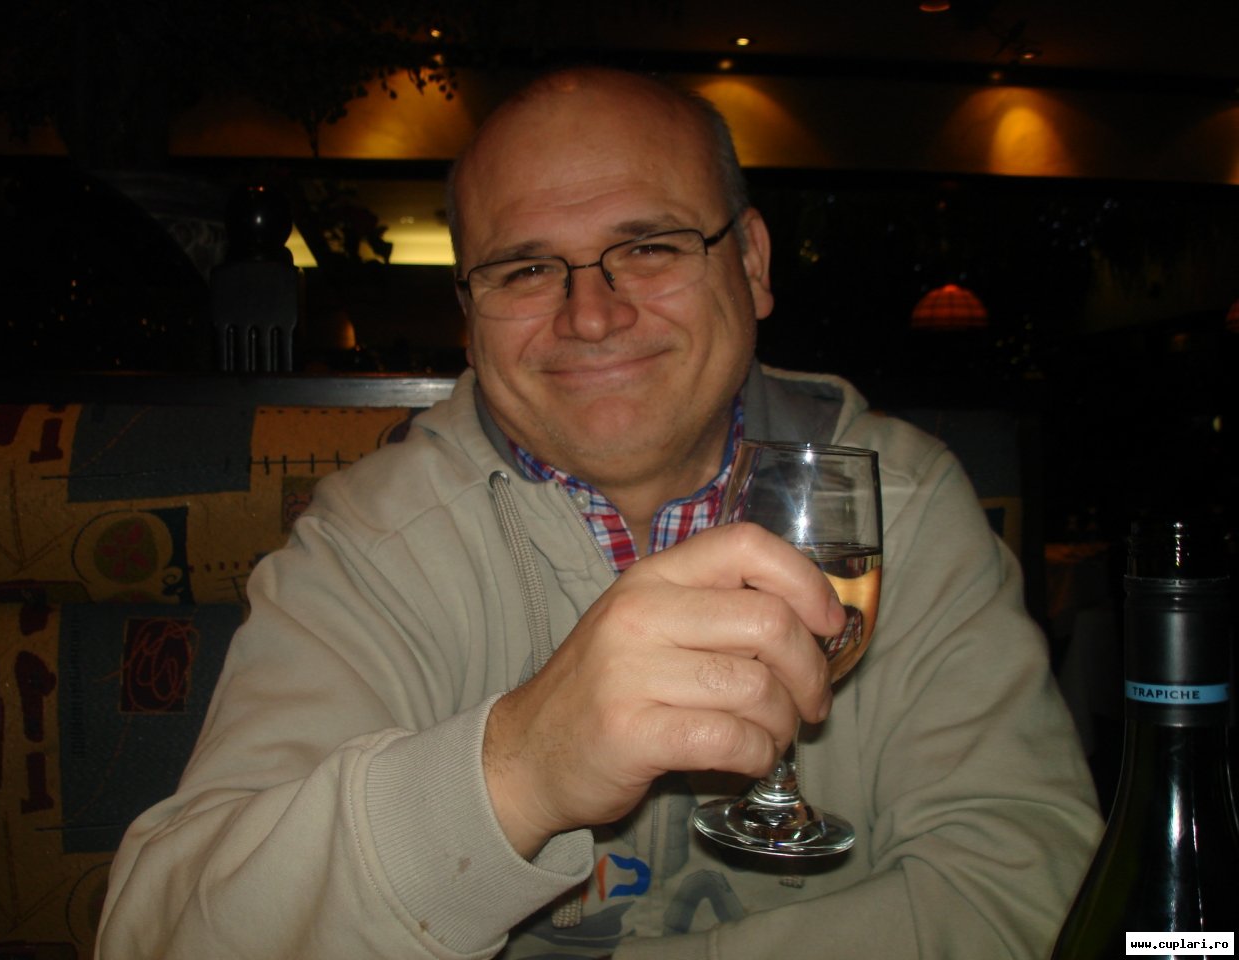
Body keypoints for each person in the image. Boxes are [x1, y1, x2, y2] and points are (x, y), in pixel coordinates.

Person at [97, 67, 1102, 959]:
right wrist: (516, 767)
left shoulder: (903, 509)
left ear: (751, 263)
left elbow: (1033, 893)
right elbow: (162, 939)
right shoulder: (368, 542)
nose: (590, 314)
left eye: (650, 247)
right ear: (468, 313)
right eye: (526, 269)